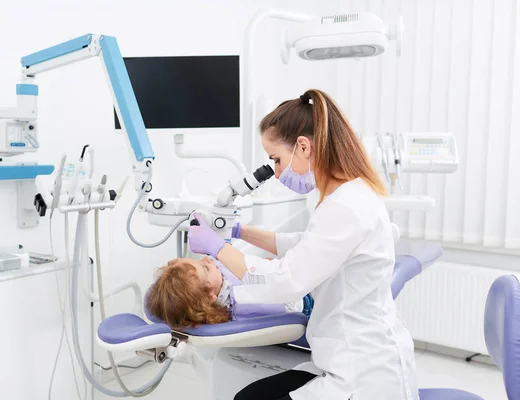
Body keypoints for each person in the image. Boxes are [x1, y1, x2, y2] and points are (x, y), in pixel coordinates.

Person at [188, 89, 418, 400]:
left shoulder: (346, 206)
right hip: (339, 358)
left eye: (277, 160)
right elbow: (305, 245)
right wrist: (240, 231)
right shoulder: (339, 197)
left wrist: (218, 249)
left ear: (303, 147)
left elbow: (287, 280)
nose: (278, 172)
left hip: (364, 374)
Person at [145, 256, 307, 330]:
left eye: (202, 261)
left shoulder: (218, 281)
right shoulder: (242, 303)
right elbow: (289, 305)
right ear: (211, 296)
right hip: (304, 301)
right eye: (206, 268)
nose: (208, 260)